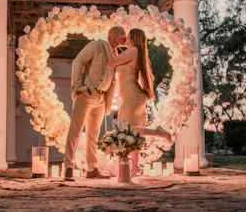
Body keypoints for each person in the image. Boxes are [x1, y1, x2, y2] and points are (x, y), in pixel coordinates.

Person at [99, 28, 171, 177]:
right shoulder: (134, 52)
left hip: (133, 96)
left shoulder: (134, 51)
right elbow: (116, 60)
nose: (125, 38)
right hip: (135, 96)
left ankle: (158, 133)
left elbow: (112, 62)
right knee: (133, 134)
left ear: (133, 38)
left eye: (127, 36)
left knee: (123, 130)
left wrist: (106, 45)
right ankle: (135, 166)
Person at [64, 27, 127, 181]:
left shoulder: (116, 55)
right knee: (75, 131)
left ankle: (92, 169)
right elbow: (78, 62)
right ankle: (68, 167)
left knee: (93, 134)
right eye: (122, 34)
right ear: (113, 35)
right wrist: (79, 87)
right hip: (86, 95)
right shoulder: (96, 46)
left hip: (101, 98)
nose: (125, 37)